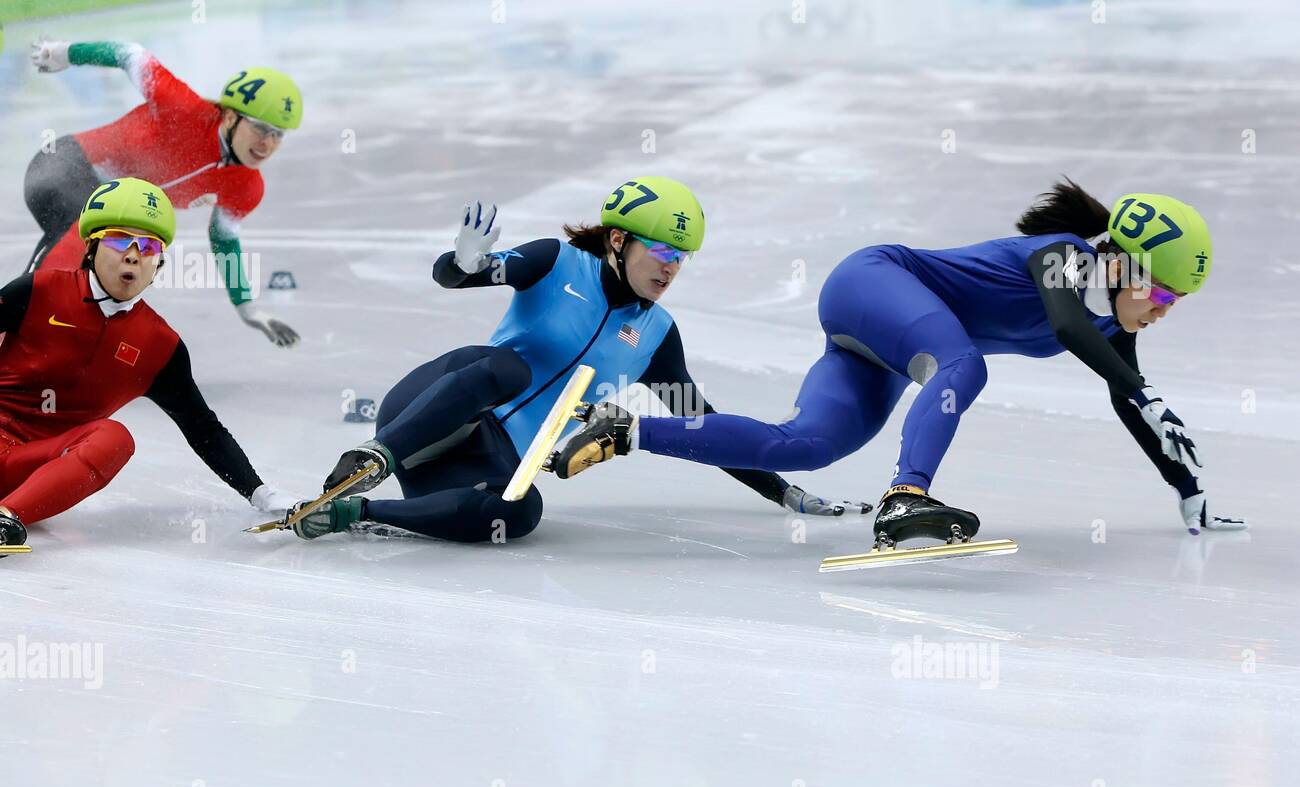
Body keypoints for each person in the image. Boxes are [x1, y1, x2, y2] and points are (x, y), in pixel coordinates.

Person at [551, 180, 1247, 542]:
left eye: (1177, 301)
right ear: (1122, 259)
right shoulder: (1065, 256)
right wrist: (1144, 389)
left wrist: (1188, 489)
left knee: (805, 445)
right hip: (872, 284)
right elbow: (1066, 325)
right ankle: (907, 495)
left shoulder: (1109, 326)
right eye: (1159, 288)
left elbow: (1124, 394)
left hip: (882, 343)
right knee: (965, 364)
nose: (1162, 309)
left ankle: (621, 430)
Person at [291, 177, 864, 542]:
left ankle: (359, 513)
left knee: (519, 512)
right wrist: (463, 262)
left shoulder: (658, 335)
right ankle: (374, 454)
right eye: (662, 250)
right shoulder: (554, 262)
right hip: (434, 409)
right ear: (618, 241)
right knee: (508, 367)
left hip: (475, 462)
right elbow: (453, 278)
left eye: (682, 258)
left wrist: (783, 491)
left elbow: (702, 425)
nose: (671, 268)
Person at [0, 178, 296, 550]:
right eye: (121, 239)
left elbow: (204, 429)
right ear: (91, 247)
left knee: (115, 438)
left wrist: (263, 495)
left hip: (30, 474)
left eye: (149, 246)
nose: (134, 255)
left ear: (159, 264)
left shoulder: (159, 345)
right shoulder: (37, 290)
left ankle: (6, 519)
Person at [25, 39, 300, 346]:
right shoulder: (184, 109)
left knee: (111, 270)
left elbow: (224, 240)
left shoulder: (247, 186)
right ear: (232, 117)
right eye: (261, 128)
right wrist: (63, 53)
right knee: (84, 242)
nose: (268, 143)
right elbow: (129, 54)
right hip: (62, 167)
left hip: (111, 203)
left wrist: (246, 308)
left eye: (278, 134)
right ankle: (18, 323)